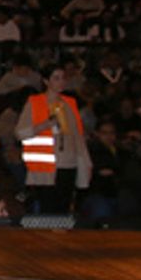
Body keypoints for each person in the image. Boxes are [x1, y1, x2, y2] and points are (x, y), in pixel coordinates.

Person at [15, 66, 92, 214]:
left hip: (69, 162)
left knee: (64, 208)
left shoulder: (70, 103)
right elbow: (20, 133)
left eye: (63, 78)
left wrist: (84, 162)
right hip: (46, 165)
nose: (61, 82)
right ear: (46, 81)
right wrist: (45, 125)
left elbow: (77, 136)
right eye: (56, 78)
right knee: (48, 208)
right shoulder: (35, 102)